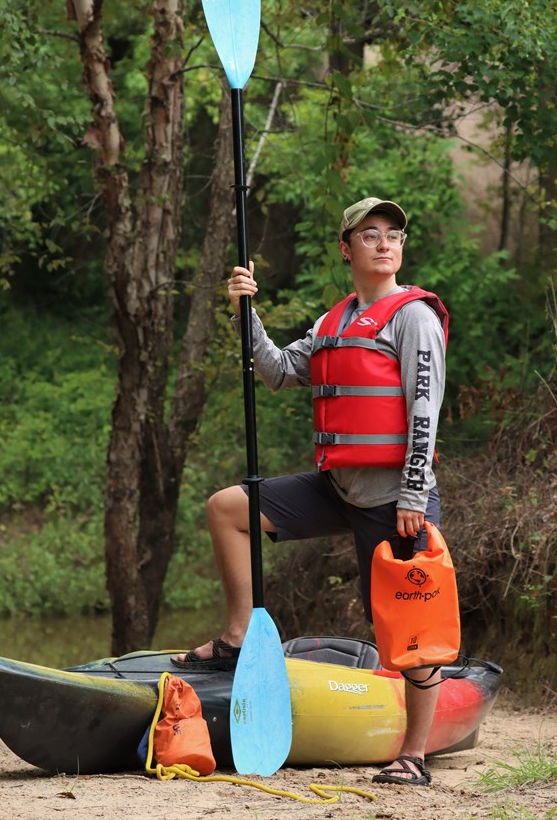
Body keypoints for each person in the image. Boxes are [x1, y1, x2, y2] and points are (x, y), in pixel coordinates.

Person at [173, 196, 449, 788]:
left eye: (393, 234)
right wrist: (244, 313)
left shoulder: (413, 317)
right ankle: (240, 633)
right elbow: (274, 371)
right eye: (370, 234)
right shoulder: (334, 322)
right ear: (346, 248)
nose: (384, 243)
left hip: (396, 499)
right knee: (228, 508)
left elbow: (425, 410)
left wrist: (411, 495)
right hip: (339, 488)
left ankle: (415, 755)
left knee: (406, 631)